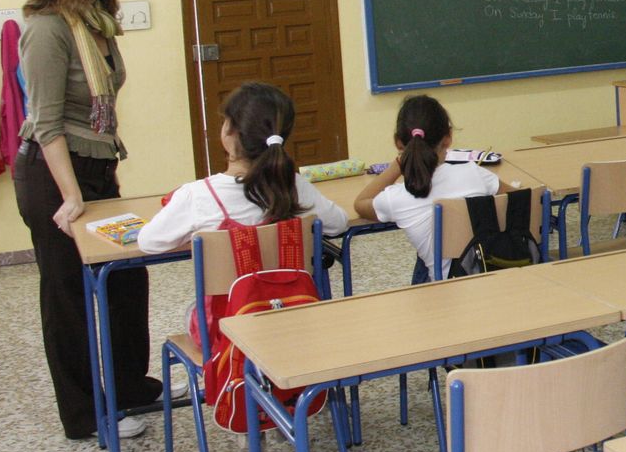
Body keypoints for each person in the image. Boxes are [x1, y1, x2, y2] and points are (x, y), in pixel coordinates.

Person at [14, 0, 158, 440]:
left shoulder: (96, 20)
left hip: (95, 165)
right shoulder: (48, 28)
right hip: (55, 175)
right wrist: (72, 196)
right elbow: (47, 121)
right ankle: (84, 416)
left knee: (125, 275)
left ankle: (128, 388)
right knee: (68, 294)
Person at [138, 82, 349, 350]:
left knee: (192, 311)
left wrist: (199, 238)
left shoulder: (198, 195)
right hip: (293, 322)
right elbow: (338, 223)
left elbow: (148, 242)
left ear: (229, 132)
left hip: (227, 334)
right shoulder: (293, 186)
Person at [351, 94, 504, 283]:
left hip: (446, 288)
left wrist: (398, 165)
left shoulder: (397, 198)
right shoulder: (476, 174)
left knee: (427, 255)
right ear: (448, 138)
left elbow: (360, 203)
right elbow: (521, 199)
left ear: (398, 143)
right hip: (494, 275)